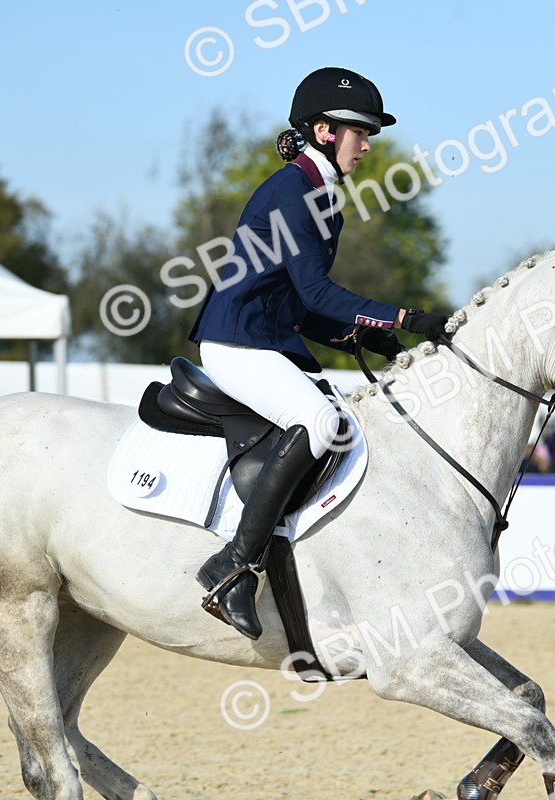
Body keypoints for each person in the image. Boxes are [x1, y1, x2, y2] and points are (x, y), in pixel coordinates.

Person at [186, 67, 451, 640]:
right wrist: (404, 318)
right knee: (320, 420)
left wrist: (358, 336)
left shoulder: (319, 193)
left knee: (351, 418)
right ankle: (234, 564)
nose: (368, 143)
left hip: (270, 337)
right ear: (325, 130)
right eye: (361, 131)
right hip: (236, 340)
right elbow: (318, 293)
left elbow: (299, 306)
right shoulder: (293, 191)